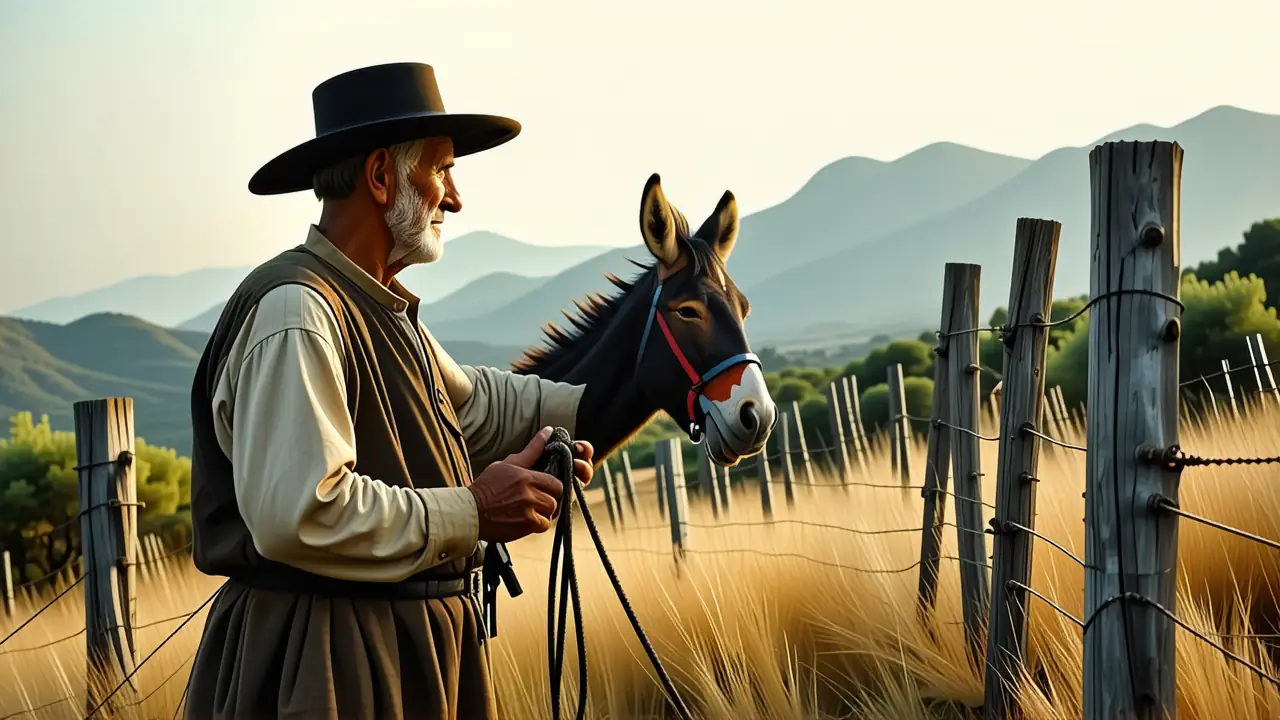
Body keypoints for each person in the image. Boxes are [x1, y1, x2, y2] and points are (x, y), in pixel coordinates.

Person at [184, 62, 593, 719]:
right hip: (324, 664)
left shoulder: (375, 305)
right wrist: (474, 511)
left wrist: (620, 392)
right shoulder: (299, 311)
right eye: (441, 170)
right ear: (380, 177)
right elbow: (304, 513)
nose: (454, 199)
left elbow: (472, 407)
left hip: (391, 655)